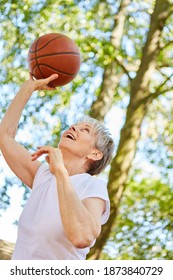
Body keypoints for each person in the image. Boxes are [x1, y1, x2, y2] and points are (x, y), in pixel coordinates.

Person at [0, 73, 115, 260]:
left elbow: (82, 236)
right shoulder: (44, 176)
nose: (73, 127)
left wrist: (60, 171)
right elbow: (5, 137)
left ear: (95, 154)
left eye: (84, 130)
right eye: (74, 125)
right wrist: (28, 88)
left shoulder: (92, 186)